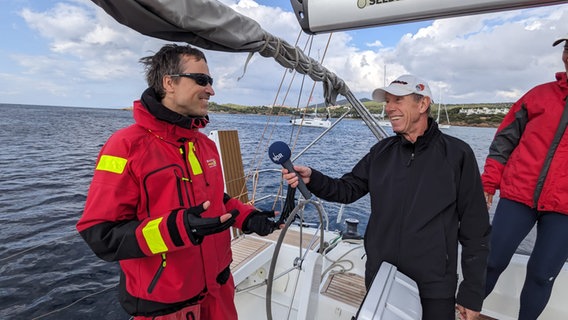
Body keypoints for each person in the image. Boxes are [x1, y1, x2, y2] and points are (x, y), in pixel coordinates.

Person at [76, 44, 280, 320]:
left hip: (219, 293)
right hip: (166, 307)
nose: (211, 90)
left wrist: (249, 218)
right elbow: (100, 234)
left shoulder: (204, 145)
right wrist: (174, 229)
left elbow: (216, 200)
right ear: (169, 83)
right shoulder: (124, 146)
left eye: (211, 81)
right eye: (202, 80)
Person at [282, 74, 490, 320]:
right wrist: (312, 178)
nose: (389, 108)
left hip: (434, 285)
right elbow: (347, 189)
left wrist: (472, 293)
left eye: (398, 100)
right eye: (388, 101)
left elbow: (476, 230)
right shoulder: (381, 152)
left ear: (422, 104)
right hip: (382, 276)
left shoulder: (457, 155)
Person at [482, 34, 568, 320]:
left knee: (542, 275)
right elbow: (503, 142)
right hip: (518, 195)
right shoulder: (537, 96)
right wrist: (489, 183)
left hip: (564, 209)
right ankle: (458, 312)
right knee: (491, 260)